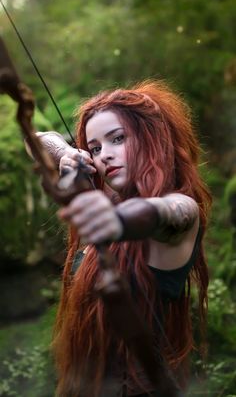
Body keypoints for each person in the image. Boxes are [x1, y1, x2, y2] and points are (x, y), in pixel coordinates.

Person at [37, 80, 211, 397]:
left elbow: (161, 212)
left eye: (117, 139)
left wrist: (114, 220)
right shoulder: (108, 197)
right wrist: (66, 154)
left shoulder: (181, 209)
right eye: (95, 148)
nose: (105, 155)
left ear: (151, 139)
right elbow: (35, 139)